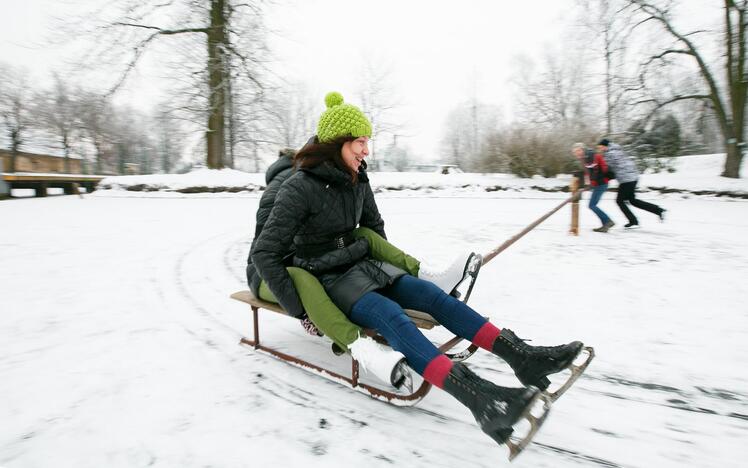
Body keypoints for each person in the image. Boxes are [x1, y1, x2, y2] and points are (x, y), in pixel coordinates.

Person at [252, 91, 586, 446]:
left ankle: (522, 357)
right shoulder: (298, 187)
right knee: (390, 315)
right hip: (327, 278)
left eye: (368, 142)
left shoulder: (357, 178)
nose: (367, 150)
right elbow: (265, 253)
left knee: (432, 296)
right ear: (337, 143)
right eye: (360, 143)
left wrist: (389, 268)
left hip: (362, 263)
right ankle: (482, 399)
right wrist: (302, 309)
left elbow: (373, 225)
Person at [246, 146, 479, 390]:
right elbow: (269, 253)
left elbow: (366, 225)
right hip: (266, 274)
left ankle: (427, 279)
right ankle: (361, 348)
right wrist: (305, 310)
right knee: (304, 280)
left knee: (362, 238)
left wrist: (380, 273)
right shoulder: (285, 189)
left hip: (301, 264)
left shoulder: (319, 179)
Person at [597, 139, 666, 228]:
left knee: (620, 201)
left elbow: (607, 169)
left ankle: (634, 221)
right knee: (632, 200)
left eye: (601, 147)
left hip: (626, 179)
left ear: (605, 146)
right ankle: (658, 210)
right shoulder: (618, 151)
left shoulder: (610, 154)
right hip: (633, 177)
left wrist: (601, 175)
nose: (600, 149)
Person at [572, 143, 614, 232]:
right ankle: (605, 225)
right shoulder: (585, 158)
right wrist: (589, 182)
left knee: (592, 205)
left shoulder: (590, 156)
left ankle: (608, 221)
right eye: (575, 152)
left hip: (601, 183)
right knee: (592, 205)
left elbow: (595, 170)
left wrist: (592, 182)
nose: (577, 153)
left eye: (578, 151)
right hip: (599, 183)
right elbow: (588, 172)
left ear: (582, 149)